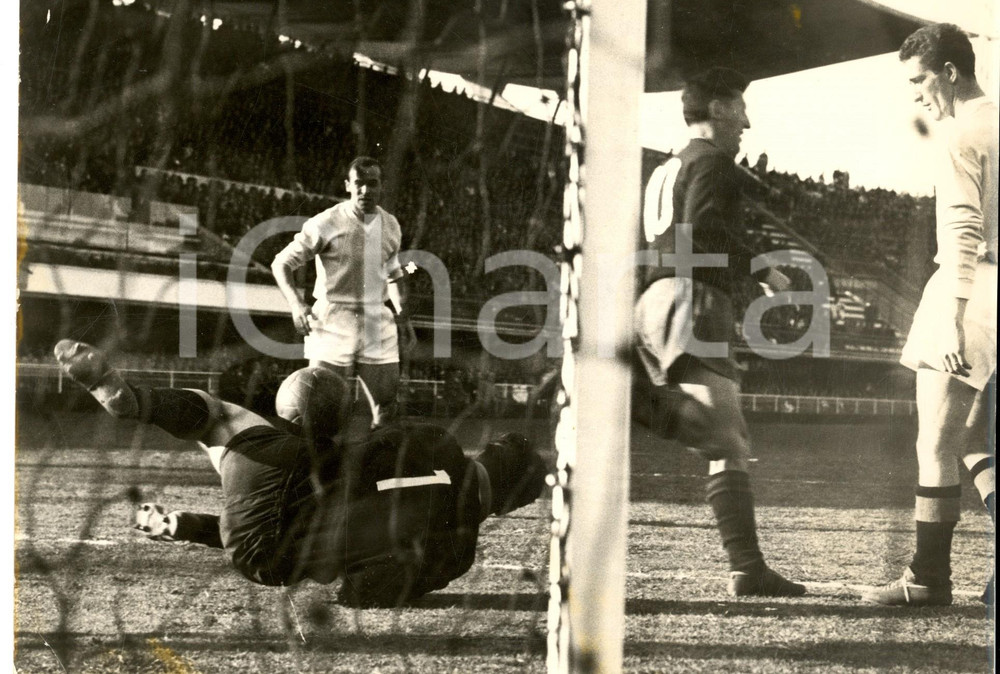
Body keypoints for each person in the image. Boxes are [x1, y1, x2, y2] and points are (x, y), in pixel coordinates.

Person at [53, 339, 547, 607]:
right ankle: (188, 496)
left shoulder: (439, 442)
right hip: (277, 559)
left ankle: (138, 400)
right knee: (335, 523)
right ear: (506, 503)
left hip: (282, 475)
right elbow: (358, 590)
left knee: (217, 417)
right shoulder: (457, 553)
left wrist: (356, 433)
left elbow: (362, 458)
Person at [633, 67, 805, 598]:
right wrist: (764, 270)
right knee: (728, 438)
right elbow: (704, 230)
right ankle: (748, 569)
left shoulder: (670, 164)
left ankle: (747, 567)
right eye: (742, 110)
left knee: (723, 438)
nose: (748, 124)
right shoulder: (714, 162)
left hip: (654, 300)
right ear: (722, 109)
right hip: (693, 298)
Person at [862, 23, 996, 607]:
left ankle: (926, 580)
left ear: (949, 72)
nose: (917, 95)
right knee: (974, 440)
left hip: (974, 290)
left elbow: (964, 227)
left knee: (935, 443)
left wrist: (953, 315)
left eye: (920, 80)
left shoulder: (959, 134)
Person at [271, 156, 416, 426]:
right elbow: (281, 262)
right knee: (318, 405)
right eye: (359, 183)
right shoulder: (326, 222)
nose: (366, 191)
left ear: (381, 186)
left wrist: (402, 313)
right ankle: (314, 466)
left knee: (386, 404)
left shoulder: (391, 224)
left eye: (372, 184)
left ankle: (377, 463)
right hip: (333, 316)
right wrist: (295, 304)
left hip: (376, 316)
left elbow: (394, 273)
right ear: (348, 185)